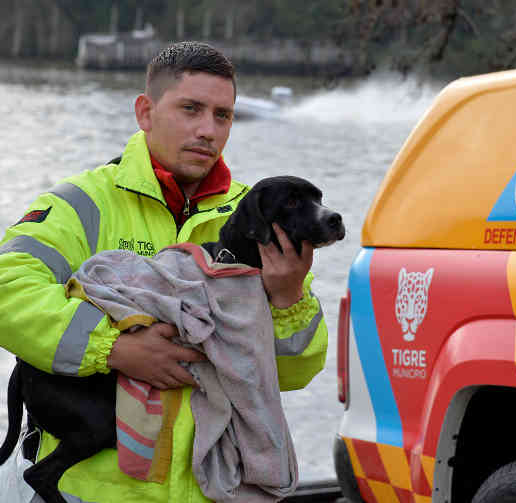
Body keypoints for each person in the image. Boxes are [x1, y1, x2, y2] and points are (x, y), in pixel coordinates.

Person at [0, 41, 327, 502]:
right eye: (190, 109)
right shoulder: (81, 203)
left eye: (222, 115)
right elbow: (6, 292)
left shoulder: (261, 217)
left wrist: (288, 297)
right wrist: (114, 348)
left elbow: (294, 373)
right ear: (145, 112)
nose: (207, 130)